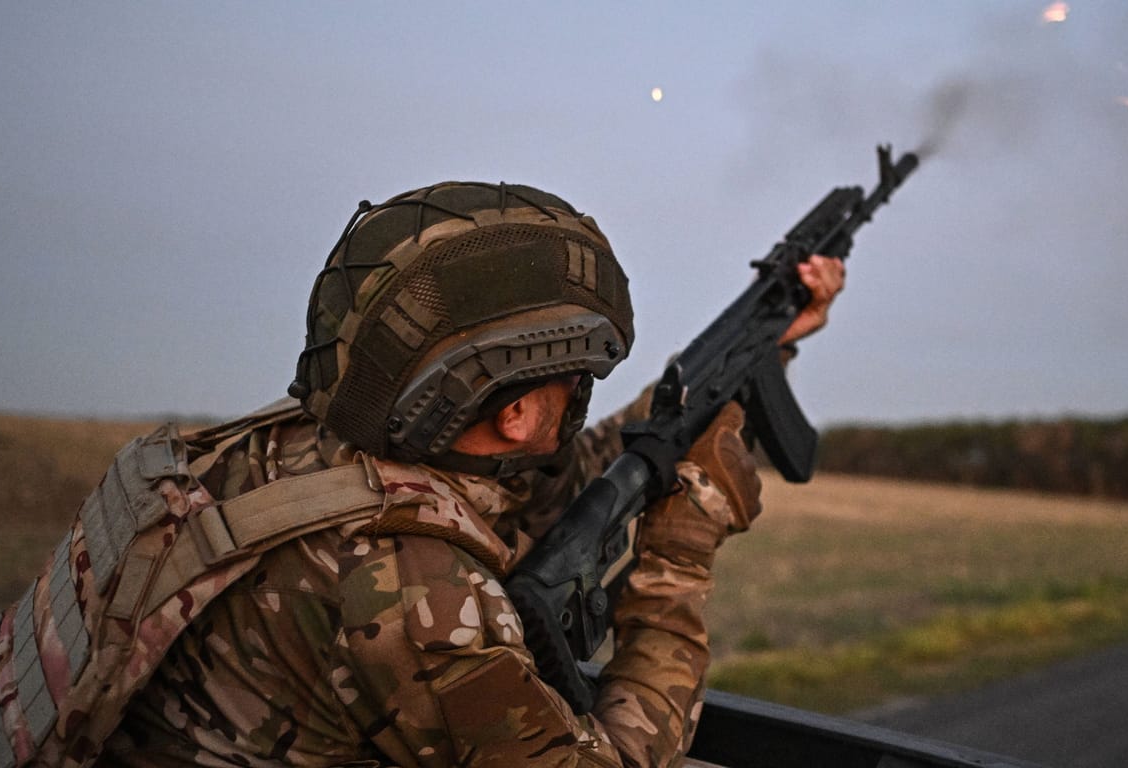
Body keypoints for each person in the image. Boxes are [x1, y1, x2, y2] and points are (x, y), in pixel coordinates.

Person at [97, 181, 845, 767]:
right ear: (515, 414)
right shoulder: (421, 600)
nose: (585, 394)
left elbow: (567, 474)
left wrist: (760, 347)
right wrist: (680, 553)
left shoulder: (304, 449)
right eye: (573, 378)